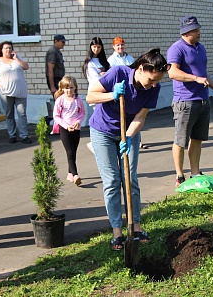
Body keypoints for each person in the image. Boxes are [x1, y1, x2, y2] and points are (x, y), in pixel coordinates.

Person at [86, 48, 170, 251]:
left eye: (157, 81)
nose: (153, 84)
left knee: (130, 178)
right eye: (151, 79)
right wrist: (112, 95)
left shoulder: (154, 88)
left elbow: (140, 117)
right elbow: (90, 97)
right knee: (112, 181)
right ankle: (117, 231)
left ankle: (136, 226)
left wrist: (129, 137)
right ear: (141, 68)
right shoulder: (118, 73)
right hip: (103, 131)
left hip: (129, 131)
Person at [167, 15, 213, 187]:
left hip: (203, 99)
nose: (198, 32)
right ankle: (179, 176)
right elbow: (173, 73)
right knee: (181, 140)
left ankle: (195, 172)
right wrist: (195, 78)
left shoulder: (200, 48)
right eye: (195, 30)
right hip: (185, 101)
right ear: (185, 32)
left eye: (198, 29)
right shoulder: (176, 49)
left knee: (197, 138)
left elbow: (203, 74)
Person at [108, 36, 150, 150]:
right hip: (120, 91)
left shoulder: (129, 58)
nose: (120, 47)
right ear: (113, 47)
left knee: (135, 116)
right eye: (118, 45)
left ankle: (136, 141)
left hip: (132, 90)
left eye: (122, 44)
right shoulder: (111, 60)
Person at [0, 41, 31, 144]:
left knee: (22, 113)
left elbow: (26, 67)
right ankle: (12, 135)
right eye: (6, 48)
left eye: (10, 48)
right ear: (2, 50)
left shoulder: (16, 59)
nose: (8, 50)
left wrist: (16, 59)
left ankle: (24, 136)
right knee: (9, 114)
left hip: (20, 91)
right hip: (6, 92)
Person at [53, 75, 86, 186]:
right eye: (66, 88)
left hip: (76, 129)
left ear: (75, 87)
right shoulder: (60, 100)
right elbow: (56, 116)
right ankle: (76, 175)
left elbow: (82, 113)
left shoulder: (78, 99)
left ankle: (69, 173)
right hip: (65, 129)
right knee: (70, 151)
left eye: (71, 88)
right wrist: (66, 126)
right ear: (62, 88)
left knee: (73, 151)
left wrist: (78, 122)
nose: (69, 90)